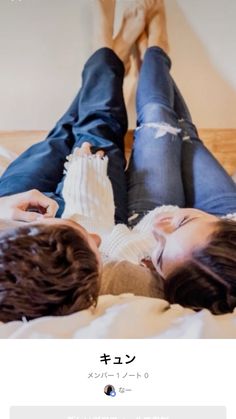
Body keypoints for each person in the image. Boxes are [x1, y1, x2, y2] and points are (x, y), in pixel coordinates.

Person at [0, 0, 235, 323]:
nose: (156, 227)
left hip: (28, 211)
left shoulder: (55, 263)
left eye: (159, 256)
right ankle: (144, 51)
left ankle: (112, 52)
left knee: (68, 133)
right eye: (181, 224)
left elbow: (102, 241)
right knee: (170, 128)